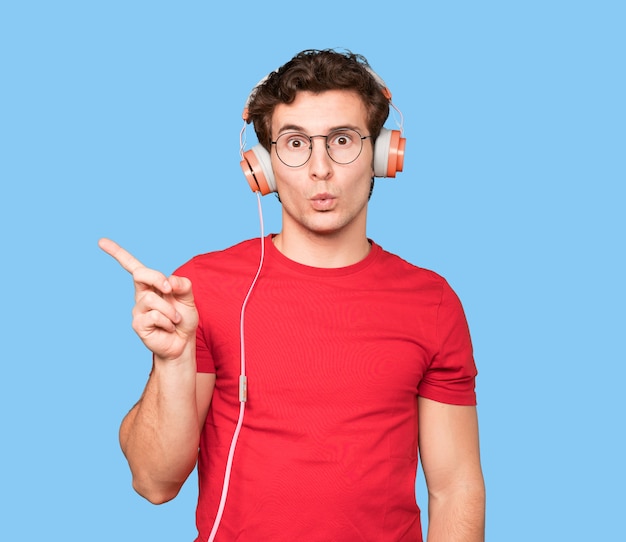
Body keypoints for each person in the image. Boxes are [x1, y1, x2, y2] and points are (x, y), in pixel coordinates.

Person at [99, 49, 485, 542]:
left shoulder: (431, 301)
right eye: (295, 143)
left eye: (343, 140)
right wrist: (173, 364)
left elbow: (455, 489)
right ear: (261, 166)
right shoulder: (202, 289)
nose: (320, 168)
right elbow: (153, 482)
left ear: (384, 155)